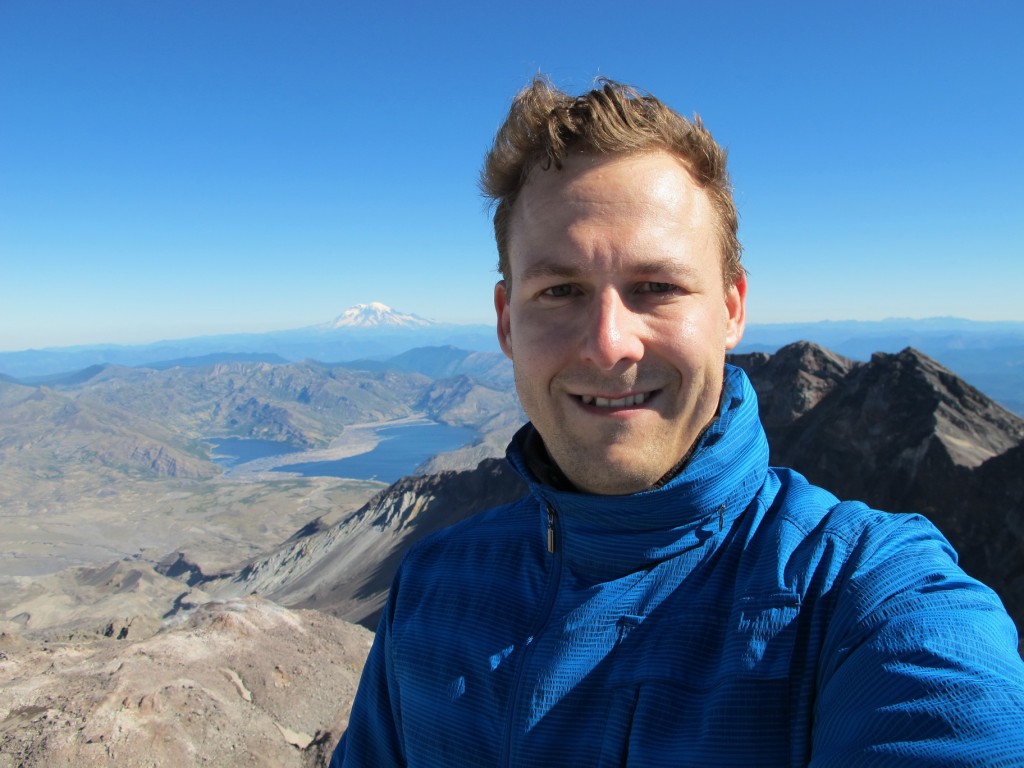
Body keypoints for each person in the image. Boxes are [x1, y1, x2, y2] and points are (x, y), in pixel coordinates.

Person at [331, 77, 1024, 767]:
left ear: (731, 310)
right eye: (560, 290)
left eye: (657, 287)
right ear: (507, 322)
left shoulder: (863, 599)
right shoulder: (430, 591)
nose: (609, 344)